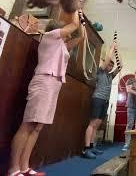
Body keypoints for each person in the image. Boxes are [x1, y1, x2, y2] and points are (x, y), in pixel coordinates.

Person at [7, 10, 81, 176]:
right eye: (65, 31)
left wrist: (82, 20)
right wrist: (76, 8)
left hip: (54, 85)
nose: (68, 34)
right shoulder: (50, 36)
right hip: (44, 81)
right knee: (28, 125)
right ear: (58, 29)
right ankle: (13, 169)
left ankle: (24, 167)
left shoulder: (61, 46)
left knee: (37, 128)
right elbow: (74, 26)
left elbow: (80, 36)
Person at [82, 43, 122, 159]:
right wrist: (111, 49)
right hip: (98, 99)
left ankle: (92, 146)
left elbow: (120, 66)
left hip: (105, 101)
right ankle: (86, 149)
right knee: (92, 123)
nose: (110, 66)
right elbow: (108, 59)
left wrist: (117, 51)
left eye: (111, 65)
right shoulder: (100, 71)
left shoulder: (110, 76)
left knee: (97, 124)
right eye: (109, 64)